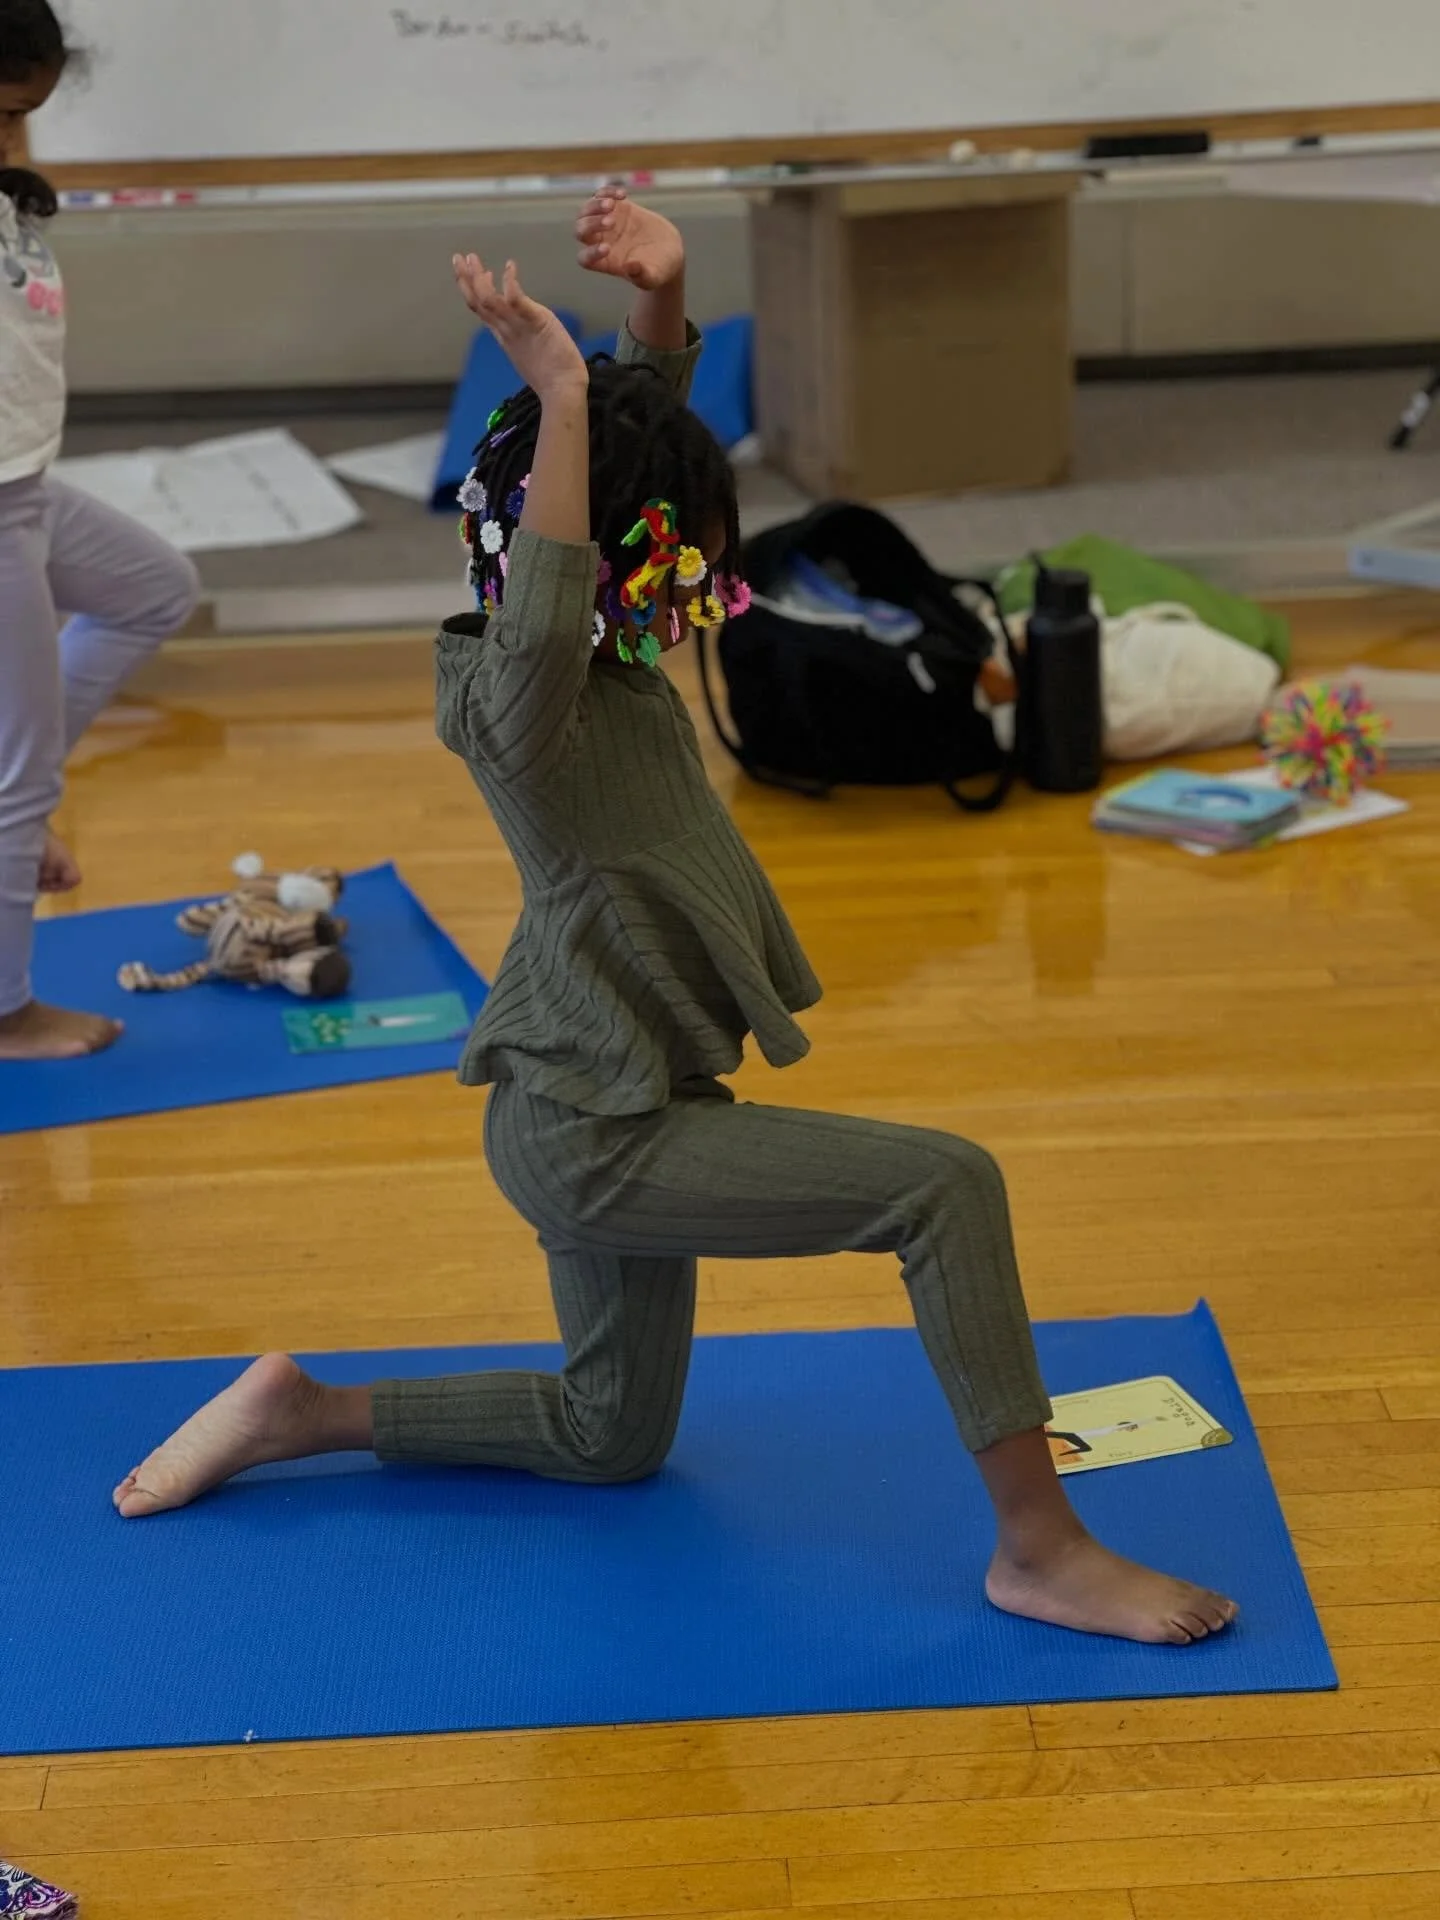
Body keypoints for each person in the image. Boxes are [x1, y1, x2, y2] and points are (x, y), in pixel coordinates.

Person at [111, 189, 1236, 1647]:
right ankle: (1040, 1549)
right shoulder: (519, 705)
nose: (710, 575)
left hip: (610, 1083)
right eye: (691, 546)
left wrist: (655, 306)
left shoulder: (609, 660)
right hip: (598, 1132)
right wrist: (562, 391)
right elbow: (553, 580)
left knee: (606, 1434)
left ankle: (301, 1408)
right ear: (618, 556)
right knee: (944, 1186)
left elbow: (615, 487)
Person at [0, 0, 199, 1061]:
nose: (12, 136)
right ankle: (4, 1011)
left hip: (26, 485)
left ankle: (10, 813)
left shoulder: (7, 197)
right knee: (18, 772)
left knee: (154, 586)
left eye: (25, 116)